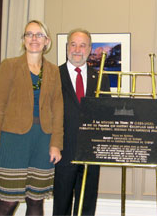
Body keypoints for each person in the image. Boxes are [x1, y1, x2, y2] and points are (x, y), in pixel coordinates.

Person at [0, 20, 63, 216]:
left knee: (36, 201)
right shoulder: (9, 66)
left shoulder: (53, 70)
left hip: (43, 140)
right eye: (29, 34)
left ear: (47, 41)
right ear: (24, 40)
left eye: (39, 35)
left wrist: (56, 144)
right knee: (8, 202)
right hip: (13, 140)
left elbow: (58, 109)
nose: (34, 38)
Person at [53, 29, 110, 216]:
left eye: (82, 45)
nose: (77, 49)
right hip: (63, 152)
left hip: (91, 153)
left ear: (90, 48)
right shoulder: (54, 75)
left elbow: (106, 115)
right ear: (67, 47)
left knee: (87, 206)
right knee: (61, 206)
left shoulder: (101, 78)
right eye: (73, 44)